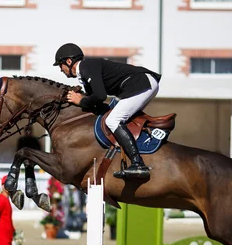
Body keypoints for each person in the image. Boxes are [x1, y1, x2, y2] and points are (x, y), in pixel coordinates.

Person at [54, 43, 161, 180]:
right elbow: (99, 105)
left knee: (113, 120)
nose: (61, 70)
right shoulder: (85, 74)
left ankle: (138, 164)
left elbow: (100, 96)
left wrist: (81, 101)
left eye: (60, 65)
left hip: (141, 83)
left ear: (69, 61)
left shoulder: (86, 66)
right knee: (115, 117)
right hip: (142, 83)